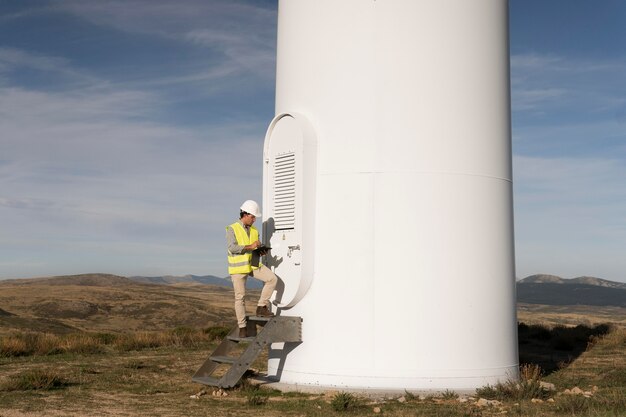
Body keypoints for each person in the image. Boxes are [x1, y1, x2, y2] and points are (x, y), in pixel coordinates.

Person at [226, 200, 277, 338]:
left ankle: (261, 307)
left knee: (272, 279)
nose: (254, 219)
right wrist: (251, 246)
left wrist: (260, 250)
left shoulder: (254, 230)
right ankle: (242, 328)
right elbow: (232, 247)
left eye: (255, 217)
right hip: (238, 268)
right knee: (240, 297)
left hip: (253, 264)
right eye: (253, 217)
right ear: (245, 214)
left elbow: (254, 248)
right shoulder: (232, 228)